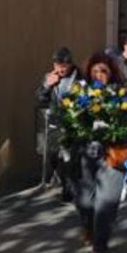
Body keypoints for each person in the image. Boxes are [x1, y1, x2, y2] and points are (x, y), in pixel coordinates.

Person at [71, 52, 127, 253]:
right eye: (95, 71)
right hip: (87, 153)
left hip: (112, 154)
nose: (99, 75)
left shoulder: (121, 94)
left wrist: (116, 125)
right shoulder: (80, 94)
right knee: (85, 202)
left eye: (103, 71)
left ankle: (100, 246)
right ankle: (88, 226)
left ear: (111, 73)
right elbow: (70, 121)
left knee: (106, 203)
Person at [36, 46, 79, 195]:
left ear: (70, 64)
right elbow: (40, 98)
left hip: (74, 122)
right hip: (55, 121)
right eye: (57, 66)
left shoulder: (79, 77)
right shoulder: (50, 77)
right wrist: (47, 85)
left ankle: (69, 187)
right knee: (54, 155)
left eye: (63, 66)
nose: (60, 69)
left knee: (70, 156)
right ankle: (60, 178)